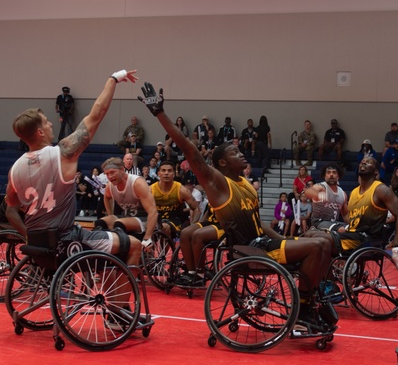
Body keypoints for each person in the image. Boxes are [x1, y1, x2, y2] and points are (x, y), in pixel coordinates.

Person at [138, 82, 335, 329]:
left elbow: (258, 223)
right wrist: (160, 114)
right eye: (233, 152)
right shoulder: (217, 184)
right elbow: (190, 151)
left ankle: (316, 297)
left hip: (263, 242)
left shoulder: (245, 183)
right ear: (221, 162)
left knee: (326, 241)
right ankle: (305, 310)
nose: (240, 153)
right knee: (317, 246)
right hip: (247, 251)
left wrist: (289, 239)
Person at [4, 70, 144, 277]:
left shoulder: (14, 169)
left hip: (38, 244)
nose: (51, 123)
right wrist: (114, 78)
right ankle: (119, 307)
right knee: (132, 245)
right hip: (67, 240)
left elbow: (10, 210)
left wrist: (28, 236)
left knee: (99, 235)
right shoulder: (62, 153)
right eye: (46, 122)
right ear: (40, 132)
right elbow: (96, 115)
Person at [318, 154, 398, 269]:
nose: (363, 163)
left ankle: (328, 282)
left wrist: (396, 247)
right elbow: (351, 219)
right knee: (314, 233)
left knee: (321, 241)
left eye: (368, 162)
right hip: (353, 234)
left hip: (367, 239)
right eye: (362, 162)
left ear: (376, 172)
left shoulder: (380, 189)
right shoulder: (353, 193)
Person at [99, 157, 158, 251]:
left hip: (145, 218)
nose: (109, 176)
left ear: (122, 170)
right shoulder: (110, 186)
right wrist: (110, 215)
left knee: (119, 224)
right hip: (126, 216)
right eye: (107, 174)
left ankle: (123, 254)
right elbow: (107, 197)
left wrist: (147, 238)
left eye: (112, 172)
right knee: (100, 223)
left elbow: (153, 211)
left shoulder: (137, 183)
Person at [150, 161, 199, 245]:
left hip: (176, 219)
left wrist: (193, 225)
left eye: (169, 171)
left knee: (165, 227)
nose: (166, 173)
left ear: (174, 174)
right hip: (157, 219)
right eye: (163, 170)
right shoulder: (151, 189)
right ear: (158, 173)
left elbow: (196, 208)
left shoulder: (181, 190)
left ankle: (164, 256)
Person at [303, 164, 348, 230]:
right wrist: (318, 195)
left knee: (350, 229)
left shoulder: (343, 194)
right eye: (328, 172)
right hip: (318, 222)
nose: (331, 175)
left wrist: (353, 224)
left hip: (334, 223)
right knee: (341, 229)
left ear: (338, 176)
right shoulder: (321, 187)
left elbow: (345, 215)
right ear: (324, 176)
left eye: (334, 172)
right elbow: (308, 191)